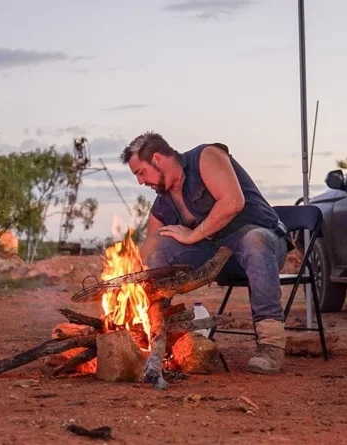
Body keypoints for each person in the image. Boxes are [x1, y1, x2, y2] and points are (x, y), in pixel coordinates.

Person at [120, 131, 293, 375]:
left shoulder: (206, 156)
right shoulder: (162, 204)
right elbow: (148, 251)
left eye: (140, 172)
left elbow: (233, 202)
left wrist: (192, 235)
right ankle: (155, 335)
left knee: (255, 240)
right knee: (160, 248)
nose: (140, 181)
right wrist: (127, 286)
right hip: (217, 260)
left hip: (262, 248)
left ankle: (270, 345)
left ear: (157, 159)